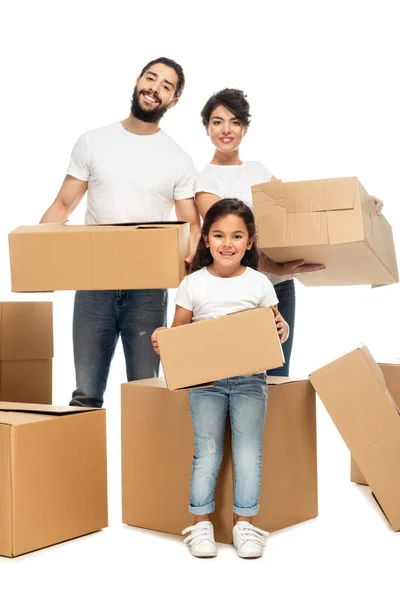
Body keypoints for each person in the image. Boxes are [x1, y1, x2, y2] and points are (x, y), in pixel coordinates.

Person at [40, 57, 201, 408]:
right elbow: (64, 205)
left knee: (146, 395)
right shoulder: (94, 141)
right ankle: (81, 461)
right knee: (85, 394)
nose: (154, 88)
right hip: (94, 283)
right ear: (137, 81)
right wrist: (38, 251)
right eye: (151, 78)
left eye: (166, 86)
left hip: (147, 289)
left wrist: (194, 276)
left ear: (173, 101)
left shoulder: (178, 159)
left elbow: (191, 223)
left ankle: (145, 462)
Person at [195, 88, 384, 376]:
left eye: (235, 122)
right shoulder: (204, 181)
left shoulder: (258, 169)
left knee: (278, 375)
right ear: (207, 127)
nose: (226, 130)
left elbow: (293, 212)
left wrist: (359, 205)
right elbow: (228, 248)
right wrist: (276, 267)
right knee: (240, 379)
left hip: (278, 287)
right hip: (237, 289)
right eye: (217, 121)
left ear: (244, 128)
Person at [152, 198, 289, 559]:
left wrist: (283, 327)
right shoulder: (193, 284)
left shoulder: (259, 283)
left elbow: (275, 330)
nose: (227, 244)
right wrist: (161, 339)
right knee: (207, 452)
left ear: (250, 241)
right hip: (205, 384)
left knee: (247, 453)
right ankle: (201, 526)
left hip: (249, 381)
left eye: (237, 236)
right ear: (206, 241)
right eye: (218, 235)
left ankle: (245, 526)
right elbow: (177, 336)